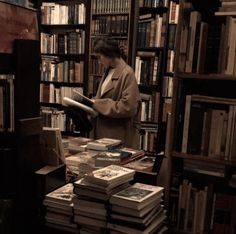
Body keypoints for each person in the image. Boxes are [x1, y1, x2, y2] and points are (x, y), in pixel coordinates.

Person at [90, 37, 141, 148]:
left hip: (116, 135)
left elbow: (128, 107)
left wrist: (97, 104)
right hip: (103, 133)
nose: (98, 61)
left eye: (99, 57)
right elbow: (102, 97)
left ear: (110, 54)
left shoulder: (127, 73)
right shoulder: (108, 71)